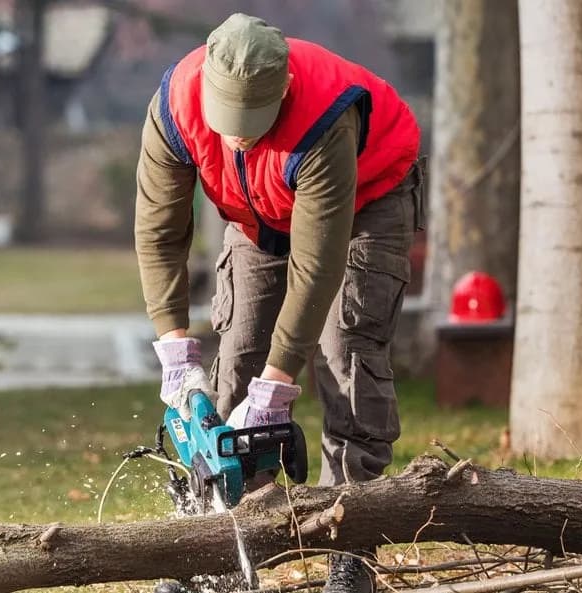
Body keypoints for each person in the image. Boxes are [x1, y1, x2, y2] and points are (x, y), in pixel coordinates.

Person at [136, 13, 424, 593]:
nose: (238, 134)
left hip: (367, 202)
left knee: (347, 352)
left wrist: (278, 386)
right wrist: (174, 347)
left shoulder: (324, 115)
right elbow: (159, 230)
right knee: (238, 356)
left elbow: (317, 268)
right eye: (229, 122)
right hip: (256, 213)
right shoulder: (174, 107)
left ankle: (353, 547)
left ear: (284, 90)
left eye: (253, 122)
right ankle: (228, 549)